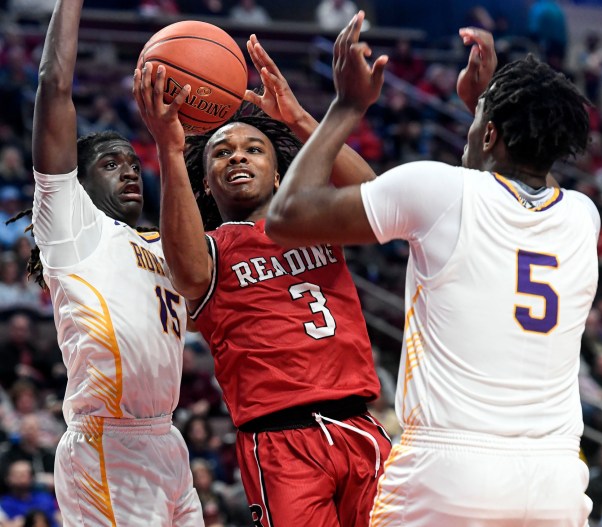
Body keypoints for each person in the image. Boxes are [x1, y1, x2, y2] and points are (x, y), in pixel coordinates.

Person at [266, 12, 599, 526]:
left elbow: (286, 218)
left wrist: (345, 106)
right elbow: (502, 190)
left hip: (450, 474)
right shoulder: (583, 217)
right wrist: (488, 110)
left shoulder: (439, 190)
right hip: (556, 479)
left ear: (489, 135)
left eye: (476, 122)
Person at [134, 32, 392, 526]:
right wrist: (170, 150)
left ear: (278, 175)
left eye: (254, 148)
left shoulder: (312, 219)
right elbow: (188, 278)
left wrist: (297, 120)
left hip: (360, 426)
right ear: (206, 182)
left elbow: (382, 198)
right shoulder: (210, 247)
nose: (236, 156)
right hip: (279, 442)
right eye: (220, 153)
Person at [29, 0, 203, 524]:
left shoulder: (162, 246)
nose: (129, 172)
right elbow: (54, 85)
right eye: (110, 163)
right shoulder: (73, 226)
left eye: (132, 162)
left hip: (167, 440)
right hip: (108, 441)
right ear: (78, 184)